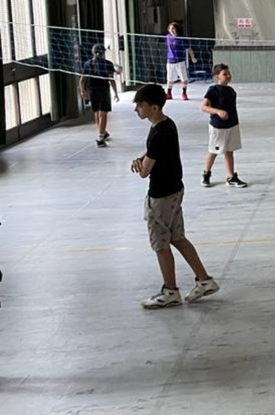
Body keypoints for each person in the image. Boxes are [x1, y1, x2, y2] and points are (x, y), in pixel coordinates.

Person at [131, 84, 219, 309]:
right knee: (177, 237)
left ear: (153, 107)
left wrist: (140, 164)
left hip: (160, 195)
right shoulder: (166, 125)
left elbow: (144, 172)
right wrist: (143, 157)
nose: (136, 109)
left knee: (161, 244)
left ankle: (170, 291)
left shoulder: (157, 133)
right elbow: (153, 152)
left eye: (140, 105)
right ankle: (204, 280)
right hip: (175, 190)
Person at [200, 63, 247, 188]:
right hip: (218, 127)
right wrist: (218, 111)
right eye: (225, 74)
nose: (228, 76)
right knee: (214, 151)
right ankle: (206, 173)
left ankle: (231, 177)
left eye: (229, 73)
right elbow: (204, 107)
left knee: (229, 151)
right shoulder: (213, 90)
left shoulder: (231, 91)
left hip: (232, 125)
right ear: (217, 77)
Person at [79, 44, 119, 147]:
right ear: (103, 53)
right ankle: (101, 136)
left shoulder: (88, 64)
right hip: (103, 91)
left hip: (93, 91)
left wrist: (83, 91)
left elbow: (82, 80)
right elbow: (111, 80)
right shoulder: (107, 64)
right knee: (102, 113)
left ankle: (102, 132)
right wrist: (115, 93)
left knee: (97, 112)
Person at [164, 22, 196, 101]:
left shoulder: (182, 39)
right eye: (170, 28)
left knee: (183, 78)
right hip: (170, 61)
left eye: (173, 28)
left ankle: (184, 93)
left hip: (180, 61)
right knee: (170, 79)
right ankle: (169, 93)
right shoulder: (168, 37)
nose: (171, 30)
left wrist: (192, 57)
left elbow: (189, 49)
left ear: (176, 29)